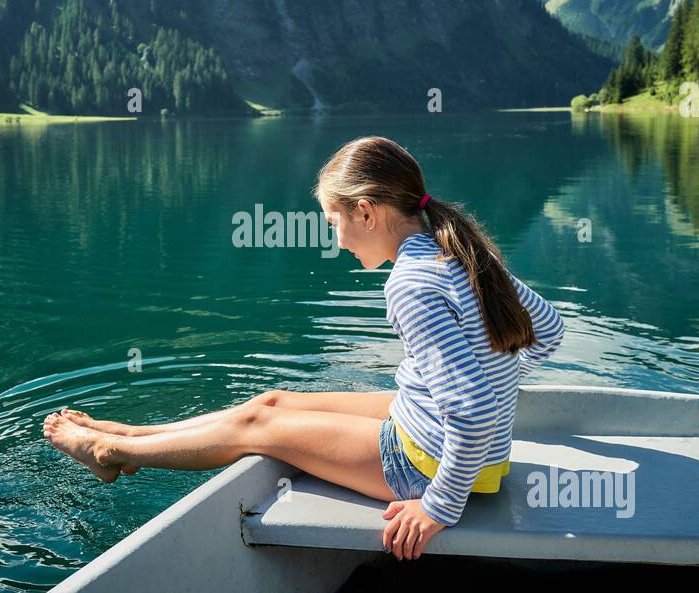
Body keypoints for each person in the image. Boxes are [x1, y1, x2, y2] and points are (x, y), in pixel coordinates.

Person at [44, 135, 565, 559]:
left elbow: (470, 412)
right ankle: (136, 436)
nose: (336, 240)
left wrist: (438, 508)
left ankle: (109, 452)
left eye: (335, 222)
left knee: (258, 429)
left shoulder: (410, 284)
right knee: (269, 401)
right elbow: (550, 330)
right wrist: (492, 375)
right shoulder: (458, 253)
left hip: (429, 466)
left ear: (366, 212)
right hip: (458, 444)